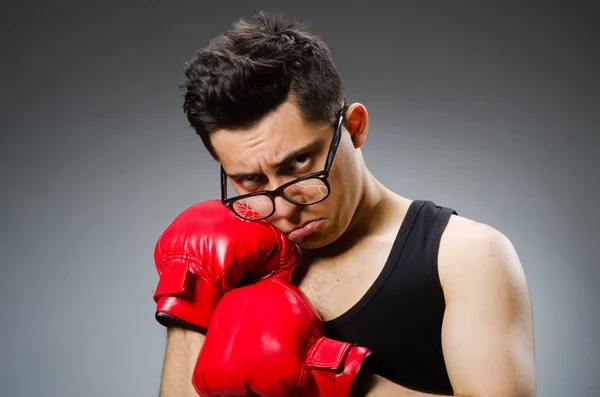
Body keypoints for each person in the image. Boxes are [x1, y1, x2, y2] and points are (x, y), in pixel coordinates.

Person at [153, 11, 537, 397]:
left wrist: (337, 379)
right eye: (250, 180)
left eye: (299, 163)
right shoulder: (234, 259)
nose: (283, 208)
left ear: (354, 128)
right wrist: (189, 305)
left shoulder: (464, 256)